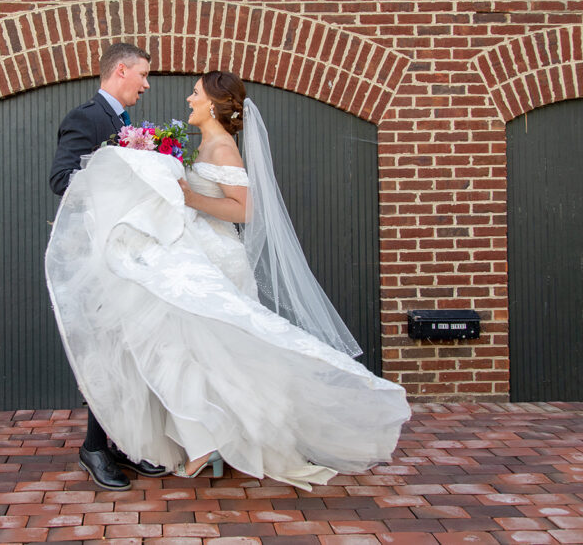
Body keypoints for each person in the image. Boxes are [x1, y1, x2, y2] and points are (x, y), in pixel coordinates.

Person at [46, 70, 410, 490]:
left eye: (195, 94)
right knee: (201, 350)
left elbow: (244, 210)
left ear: (214, 104)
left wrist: (186, 195)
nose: (188, 99)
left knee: (217, 349)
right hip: (198, 254)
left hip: (220, 257)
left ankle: (214, 443)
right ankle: (206, 442)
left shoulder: (221, 147)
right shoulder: (201, 143)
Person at [48, 42, 169, 491]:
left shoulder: (123, 121)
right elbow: (61, 179)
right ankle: (94, 448)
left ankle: (116, 443)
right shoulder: (87, 117)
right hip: (96, 255)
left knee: (127, 349)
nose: (147, 84)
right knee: (105, 353)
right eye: (142, 75)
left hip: (123, 250)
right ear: (121, 71)